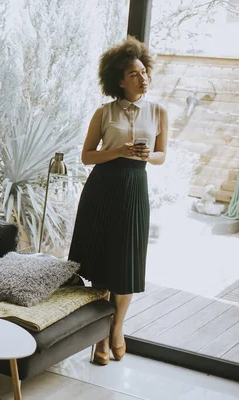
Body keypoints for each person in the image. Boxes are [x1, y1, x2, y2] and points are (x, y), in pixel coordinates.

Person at [68, 36, 169, 365]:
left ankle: (117, 329)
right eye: (134, 74)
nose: (143, 78)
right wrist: (119, 151)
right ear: (119, 81)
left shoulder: (158, 111)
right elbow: (86, 156)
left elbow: (162, 156)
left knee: (127, 263)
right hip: (103, 188)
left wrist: (146, 154)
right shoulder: (104, 112)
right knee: (102, 263)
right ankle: (99, 338)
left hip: (135, 187)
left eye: (144, 72)